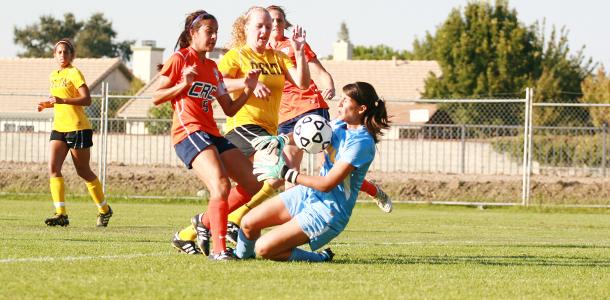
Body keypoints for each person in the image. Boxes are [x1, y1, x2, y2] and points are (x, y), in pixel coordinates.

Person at [225, 5, 392, 239]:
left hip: (309, 112)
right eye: (267, 23)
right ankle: (259, 222)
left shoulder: (288, 48)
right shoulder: (258, 52)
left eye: (278, 21)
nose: (274, 26)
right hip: (284, 117)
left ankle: (247, 221)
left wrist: (329, 84)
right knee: (282, 174)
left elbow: (317, 72)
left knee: (320, 170)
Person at [151, 10, 265, 260]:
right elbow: (156, 96)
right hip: (188, 131)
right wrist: (183, 84)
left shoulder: (213, 67)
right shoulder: (180, 59)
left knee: (253, 183)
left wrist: (248, 89)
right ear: (192, 33)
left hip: (211, 132)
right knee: (221, 185)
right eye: (208, 31)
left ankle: (203, 222)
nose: (213, 36)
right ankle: (219, 250)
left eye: (216, 32)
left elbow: (230, 108)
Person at [235, 81, 390, 262]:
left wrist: (285, 173)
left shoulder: (361, 143)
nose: (339, 104)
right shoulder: (339, 125)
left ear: (361, 108)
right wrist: (281, 140)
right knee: (248, 223)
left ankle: (321, 257)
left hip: (329, 211)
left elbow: (327, 184)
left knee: (264, 248)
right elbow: (305, 134)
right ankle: (240, 259)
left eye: (345, 100)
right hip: (309, 193)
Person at [212, 6, 311, 242]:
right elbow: (216, 81)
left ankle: (194, 229)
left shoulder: (278, 57)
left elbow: (303, 83)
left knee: (252, 186)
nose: (265, 30)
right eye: (260, 25)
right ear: (246, 27)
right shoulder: (237, 55)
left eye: (269, 26)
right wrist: (248, 84)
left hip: (267, 131)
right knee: (278, 171)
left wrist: (299, 52)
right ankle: (236, 221)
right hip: (243, 125)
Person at [37, 38, 113, 227]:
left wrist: (62, 100)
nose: (62, 55)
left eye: (66, 52)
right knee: (53, 169)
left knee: (83, 171)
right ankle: (61, 213)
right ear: (54, 55)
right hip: (59, 128)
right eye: (59, 52)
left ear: (72, 55)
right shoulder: (54, 75)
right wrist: (48, 104)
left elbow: (86, 99)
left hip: (78, 127)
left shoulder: (74, 72)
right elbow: (59, 100)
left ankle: (104, 210)